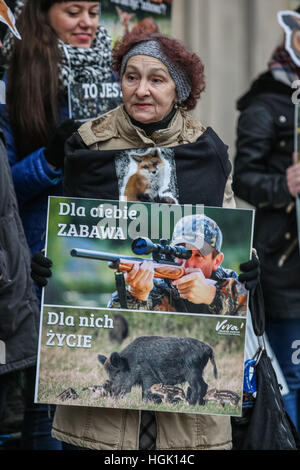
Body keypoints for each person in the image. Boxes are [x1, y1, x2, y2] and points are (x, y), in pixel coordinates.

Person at [49, 30, 260, 451]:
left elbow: (229, 215)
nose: (141, 90)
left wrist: (247, 270)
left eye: (157, 79)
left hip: (188, 425)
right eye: (131, 77)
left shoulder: (208, 149)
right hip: (101, 427)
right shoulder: (87, 145)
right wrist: (46, 268)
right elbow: (68, 224)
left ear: (180, 90)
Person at [0, 0, 113, 449]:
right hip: (39, 261)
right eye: (73, 11)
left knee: (97, 399)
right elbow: (6, 187)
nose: (87, 22)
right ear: (44, 15)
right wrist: (49, 157)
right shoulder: (16, 82)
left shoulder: (119, 76)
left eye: (93, 10)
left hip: (102, 255)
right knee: (45, 410)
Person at [232, 10, 300, 434]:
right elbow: (243, 178)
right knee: (290, 374)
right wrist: (285, 184)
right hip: (284, 263)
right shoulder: (267, 101)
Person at [110, 214, 248, 316]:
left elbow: (252, 308)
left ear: (217, 260)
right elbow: (113, 324)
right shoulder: (156, 285)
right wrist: (137, 294)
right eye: (181, 253)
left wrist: (212, 295)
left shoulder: (230, 281)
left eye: (198, 255)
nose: (187, 264)